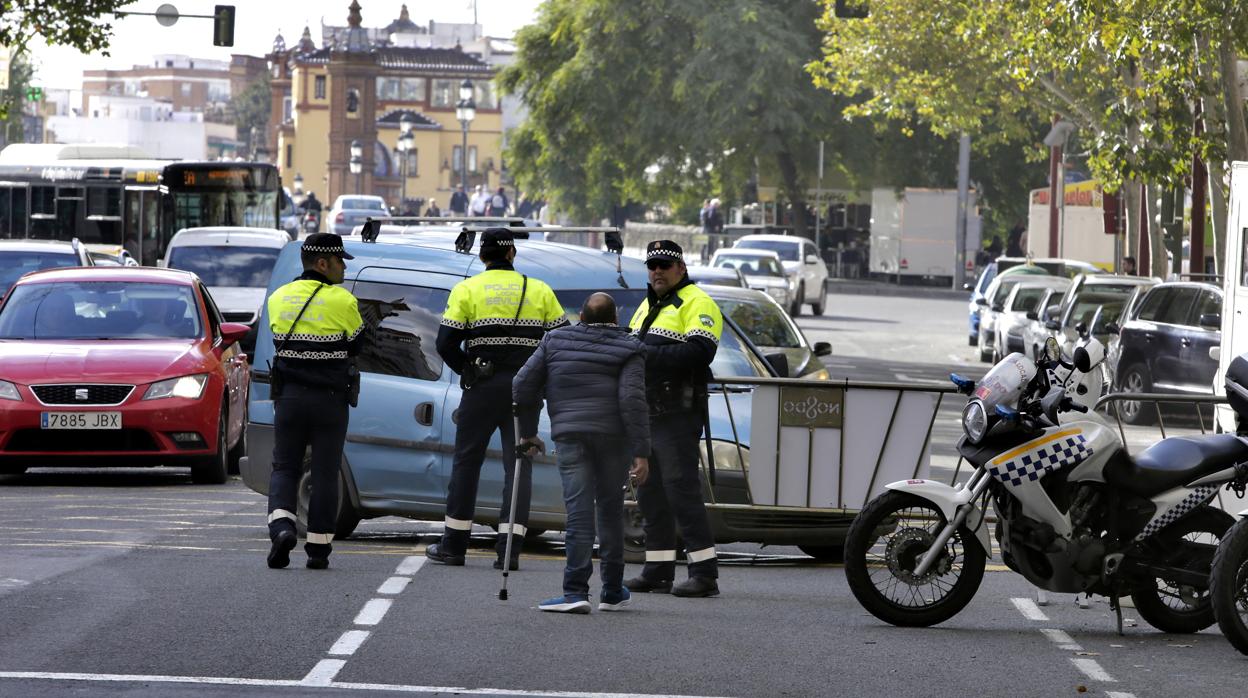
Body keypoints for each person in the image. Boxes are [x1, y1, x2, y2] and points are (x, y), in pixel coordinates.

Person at [425, 229, 570, 570]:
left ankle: (454, 546)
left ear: (482, 256)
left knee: (466, 463)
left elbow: (445, 343)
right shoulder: (540, 290)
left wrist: (468, 370)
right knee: (518, 466)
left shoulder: (467, 289)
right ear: (513, 254)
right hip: (526, 391)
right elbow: (561, 340)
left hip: (482, 389)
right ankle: (509, 550)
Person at [513, 292, 650, 614]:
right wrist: (641, 452)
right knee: (610, 510)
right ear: (615, 319)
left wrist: (529, 432)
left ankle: (575, 591)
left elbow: (521, 384)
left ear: (581, 318)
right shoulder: (630, 347)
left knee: (578, 513)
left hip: (570, 435)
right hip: (614, 440)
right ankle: (613, 590)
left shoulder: (554, 341)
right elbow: (632, 400)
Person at [626, 240, 723, 598]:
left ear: (681, 268)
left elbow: (701, 352)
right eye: (652, 266)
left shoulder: (697, 302)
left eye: (665, 265)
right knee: (650, 494)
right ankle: (658, 569)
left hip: (678, 412)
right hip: (647, 412)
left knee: (682, 491)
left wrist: (646, 354)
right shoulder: (649, 304)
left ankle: (704, 574)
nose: (657, 272)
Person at [265, 232, 365, 571]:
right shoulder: (343, 301)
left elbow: (277, 338)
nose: (343, 269)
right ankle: (318, 549)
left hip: (289, 397)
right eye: (340, 262)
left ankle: (281, 528)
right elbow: (356, 344)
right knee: (324, 472)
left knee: (285, 467)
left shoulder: (279, 297)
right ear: (323, 263)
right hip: (330, 400)